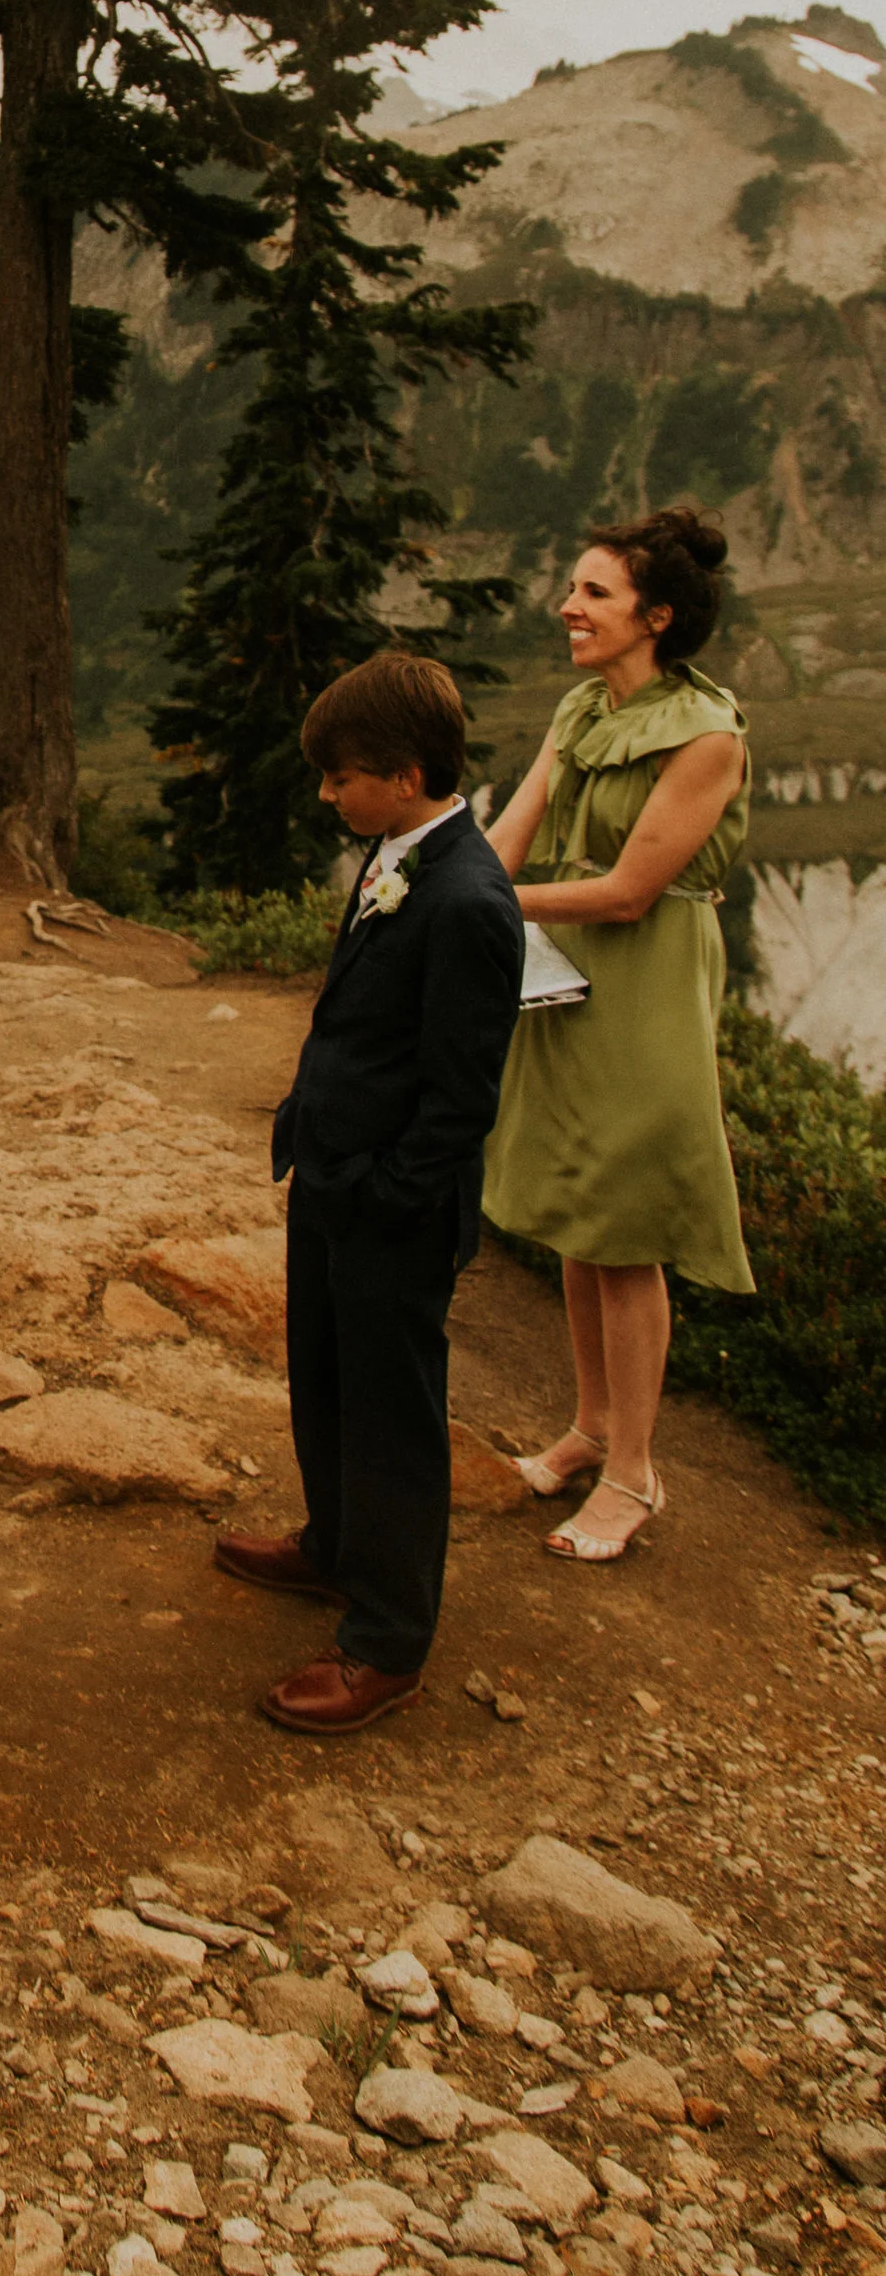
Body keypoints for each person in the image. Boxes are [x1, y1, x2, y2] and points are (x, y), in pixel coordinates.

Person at [215, 650, 524, 1735]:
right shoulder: (395, 852)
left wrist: (394, 1189)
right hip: (334, 1175)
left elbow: (459, 1093)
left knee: (392, 1412)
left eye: (340, 776)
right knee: (326, 1377)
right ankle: (335, 1544)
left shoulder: (471, 900)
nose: (326, 794)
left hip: (391, 1202)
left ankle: (387, 1638)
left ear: (401, 772)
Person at [483, 507, 752, 1563]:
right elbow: (511, 837)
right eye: (575, 588)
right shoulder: (581, 709)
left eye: (594, 593)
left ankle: (634, 1473)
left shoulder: (708, 735)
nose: (569, 607)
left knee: (626, 1227)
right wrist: (455, 885)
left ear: (658, 616)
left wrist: (494, 912)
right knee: (579, 1208)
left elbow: (636, 891)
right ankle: (590, 1429)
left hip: (644, 987)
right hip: (566, 978)